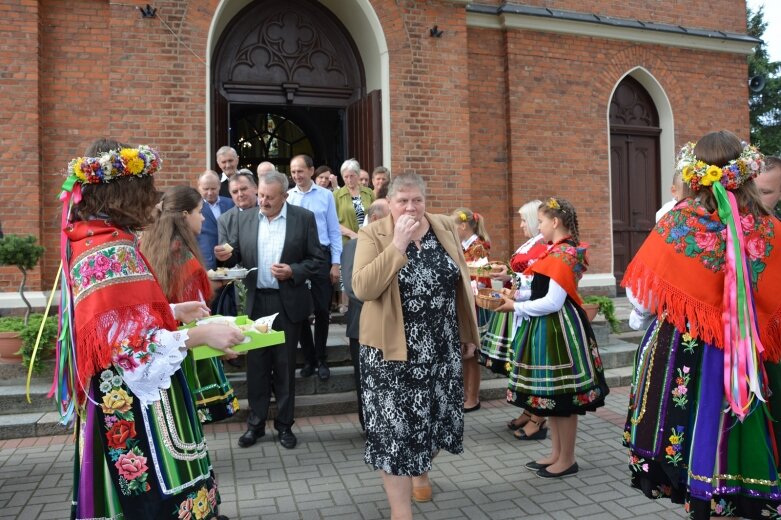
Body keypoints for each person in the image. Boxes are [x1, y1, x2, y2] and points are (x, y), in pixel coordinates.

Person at [59, 138, 243, 519]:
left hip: (117, 395)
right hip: (135, 402)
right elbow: (128, 347)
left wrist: (171, 309)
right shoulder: (112, 248)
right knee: (152, 500)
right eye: (147, 190)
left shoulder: (92, 237)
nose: (154, 201)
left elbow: (118, 314)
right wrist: (201, 335)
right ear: (124, 193)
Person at [621, 131, 781, 519]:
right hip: (750, 354)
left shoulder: (678, 223)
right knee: (744, 437)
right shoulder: (769, 228)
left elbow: (643, 299)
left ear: (695, 174)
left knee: (692, 434)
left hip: (684, 351)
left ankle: (701, 497)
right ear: (745, 172)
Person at [353, 172, 479, 518]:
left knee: (437, 421)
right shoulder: (374, 233)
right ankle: (400, 510)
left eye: (417, 200)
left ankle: (420, 470)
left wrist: (468, 333)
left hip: (441, 347)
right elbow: (362, 288)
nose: (411, 207)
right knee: (395, 432)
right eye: (402, 201)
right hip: (390, 352)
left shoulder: (443, 226)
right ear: (390, 204)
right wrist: (397, 245)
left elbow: (461, 279)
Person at [496, 197, 608, 479]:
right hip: (547, 328)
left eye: (542, 221)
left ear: (555, 222)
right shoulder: (554, 251)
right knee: (551, 398)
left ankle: (567, 458)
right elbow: (540, 291)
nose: (539, 226)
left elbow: (553, 302)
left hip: (558, 330)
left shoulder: (563, 254)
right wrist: (516, 294)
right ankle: (557, 453)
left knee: (563, 398)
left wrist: (515, 306)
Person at [215, 170, 325, 450]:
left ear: (284, 196)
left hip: (287, 303)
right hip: (256, 302)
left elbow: (317, 259)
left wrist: (294, 270)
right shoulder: (247, 218)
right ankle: (256, 424)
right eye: (261, 195)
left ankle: (285, 425)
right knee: (257, 367)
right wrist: (228, 255)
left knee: (285, 366)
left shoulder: (303, 219)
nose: (262, 201)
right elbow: (239, 253)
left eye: (269, 197)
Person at [141, 186, 239, 424]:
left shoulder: (151, 245)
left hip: (161, 346)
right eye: (199, 211)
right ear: (185, 215)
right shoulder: (183, 257)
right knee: (185, 422)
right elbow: (196, 311)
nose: (203, 217)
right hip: (186, 348)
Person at [479, 200, 549, 440]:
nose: (521, 225)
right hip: (519, 304)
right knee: (522, 363)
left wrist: (512, 280)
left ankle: (538, 418)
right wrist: (508, 275)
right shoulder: (533, 243)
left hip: (528, 307)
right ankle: (529, 411)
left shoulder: (542, 245)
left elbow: (537, 279)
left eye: (524, 220)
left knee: (532, 365)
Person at [287, 154, 342, 381]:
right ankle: (308, 358)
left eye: (300, 171)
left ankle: (321, 358)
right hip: (298, 260)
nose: (297, 176)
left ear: (311, 171)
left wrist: (335, 263)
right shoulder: (288, 197)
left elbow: (333, 230)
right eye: (293, 172)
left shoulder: (326, 196)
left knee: (321, 310)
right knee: (299, 311)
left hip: (322, 256)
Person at [341, 198, 390, 430]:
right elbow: (353, 289)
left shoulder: (395, 245)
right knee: (366, 380)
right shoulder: (354, 246)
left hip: (392, 327)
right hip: (362, 326)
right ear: (378, 219)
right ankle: (370, 427)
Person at [452, 207, 491, 413]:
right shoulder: (467, 246)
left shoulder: (478, 247)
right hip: (468, 302)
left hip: (475, 304)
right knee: (465, 352)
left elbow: (481, 279)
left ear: (463, 226)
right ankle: (466, 394)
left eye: (454, 226)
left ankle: (473, 397)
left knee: (472, 352)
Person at [196, 170, 234, 271]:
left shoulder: (231, 204)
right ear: (199, 187)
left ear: (219, 186)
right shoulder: (193, 208)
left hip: (230, 262)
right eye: (205, 189)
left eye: (213, 188)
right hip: (206, 263)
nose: (210, 193)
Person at [334, 158, 375, 241]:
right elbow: (332, 222)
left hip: (368, 239)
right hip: (347, 241)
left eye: (352, 176)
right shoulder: (336, 195)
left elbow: (376, 215)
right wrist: (352, 234)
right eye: (346, 177)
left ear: (358, 175)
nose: (349, 180)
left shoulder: (369, 192)